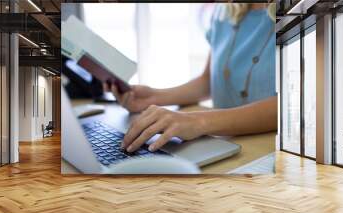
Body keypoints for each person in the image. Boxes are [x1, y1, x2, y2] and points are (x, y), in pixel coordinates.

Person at [103, 3, 277, 153]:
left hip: (267, 149)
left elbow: (293, 104)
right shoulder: (225, 10)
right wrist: (153, 97)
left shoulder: (298, 10)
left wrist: (199, 121)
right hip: (224, 144)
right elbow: (209, 81)